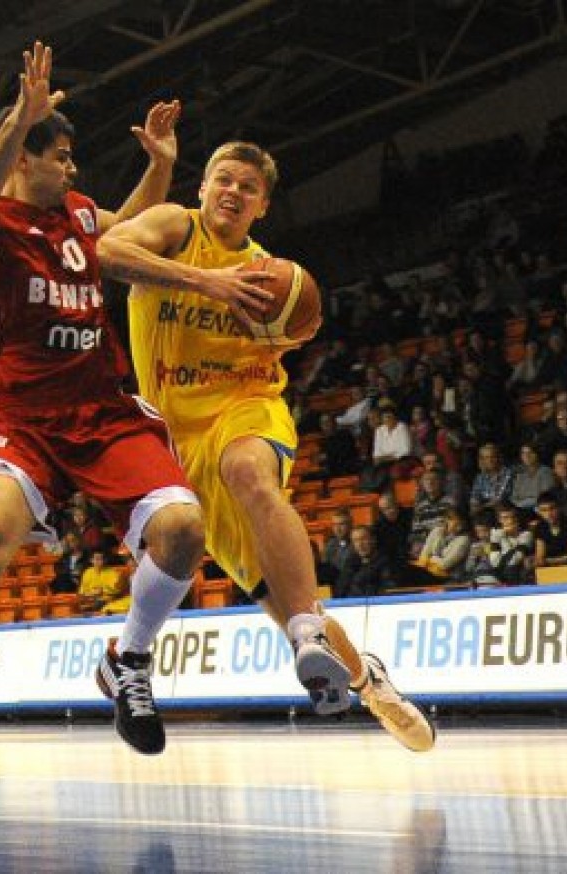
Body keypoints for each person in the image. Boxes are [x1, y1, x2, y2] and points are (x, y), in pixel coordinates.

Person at [0, 44, 267, 790]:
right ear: (23, 157)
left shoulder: (78, 213)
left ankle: (128, 660)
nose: (73, 168)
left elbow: (128, 231)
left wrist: (159, 167)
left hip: (103, 410)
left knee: (184, 532)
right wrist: (17, 120)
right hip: (21, 420)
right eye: (60, 156)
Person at [98, 139, 435, 751]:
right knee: (275, 598)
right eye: (224, 179)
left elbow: (301, 322)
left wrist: (294, 324)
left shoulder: (273, 275)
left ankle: (308, 631)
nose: (234, 191)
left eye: (248, 187)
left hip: (248, 406)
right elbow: (106, 250)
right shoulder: (175, 227)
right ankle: (368, 680)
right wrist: (209, 283)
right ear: (203, 188)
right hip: (178, 443)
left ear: (263, 206)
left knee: (250, 472)